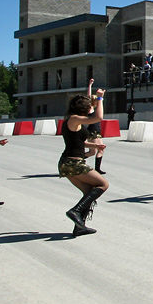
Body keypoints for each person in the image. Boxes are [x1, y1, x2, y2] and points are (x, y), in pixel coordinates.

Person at [60, 88, 108, 236]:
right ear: (83, 108)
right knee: (103, 184)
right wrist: (100, 98)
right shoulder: (74, 119)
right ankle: (75, 211)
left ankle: (79, 226)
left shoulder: (74, 121)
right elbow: (99, 117)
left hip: (68, 163)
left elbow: (78, 142)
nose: (91, 109)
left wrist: (95, 146)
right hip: (73, 163)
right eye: (89, 107)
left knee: (89, 192)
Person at [85, 79, 107, 174]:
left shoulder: (97, 109)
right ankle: (97, 169)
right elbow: (88, 97)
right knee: (100, 149)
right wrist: (90, 85)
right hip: (93, 132)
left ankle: (77, 159)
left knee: (92, 152)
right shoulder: (90, 109)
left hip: (96, 131)